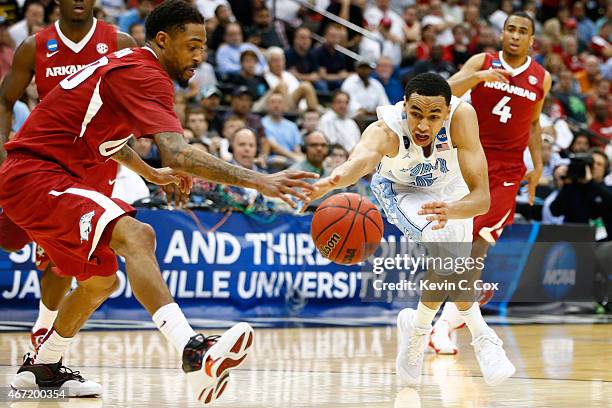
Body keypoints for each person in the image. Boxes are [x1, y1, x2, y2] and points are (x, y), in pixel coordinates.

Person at [1, 1, 317, 403]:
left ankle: (44, 366)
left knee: (102, 280)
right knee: (138, 234)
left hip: (43, 175)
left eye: (204, 47)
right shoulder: (145, 72)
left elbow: (107, 139)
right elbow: (179, 154)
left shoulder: (127, 67)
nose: (199, 57)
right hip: (38, 175)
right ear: (163, 40)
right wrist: (261, 180)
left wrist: (150, 174)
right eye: (192, 45)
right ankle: (193, 351)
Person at [305, 73, 515, 386]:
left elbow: (482, 198)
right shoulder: (386, 129)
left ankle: (417, 329)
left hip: (452, 189)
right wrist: (334, 180)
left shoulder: (462, 118)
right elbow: (361, 159)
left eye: (433, 117)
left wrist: (453, 209)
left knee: (455, 265)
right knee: (446, 255)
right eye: (415, 113)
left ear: (446, 112)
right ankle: (483, 336)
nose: (422, 125)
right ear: (404, 106)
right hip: (402, 189)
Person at [0, 0, 139, 351]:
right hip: (49, 163)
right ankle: (44, 329)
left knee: (87, 259)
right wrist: (4, 149)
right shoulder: (35, 45)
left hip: (99, 163)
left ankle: (48, 339)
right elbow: (4, 99)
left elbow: (134, 99)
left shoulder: (119, 42)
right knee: (51, 252)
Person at [430, 11, 551, 354]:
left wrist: (538, 165)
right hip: (472, 161)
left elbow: (533, 124)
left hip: (510, 171)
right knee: (462, 246)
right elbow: (443, 90)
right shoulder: (482, 60)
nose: (514, 35)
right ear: (502, 34)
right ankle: (445, 319)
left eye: (522, 31)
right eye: (509, 29)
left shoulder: (541, 78)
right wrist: (479, 75)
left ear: (532, 40)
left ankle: (443, 325)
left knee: (480, 245)